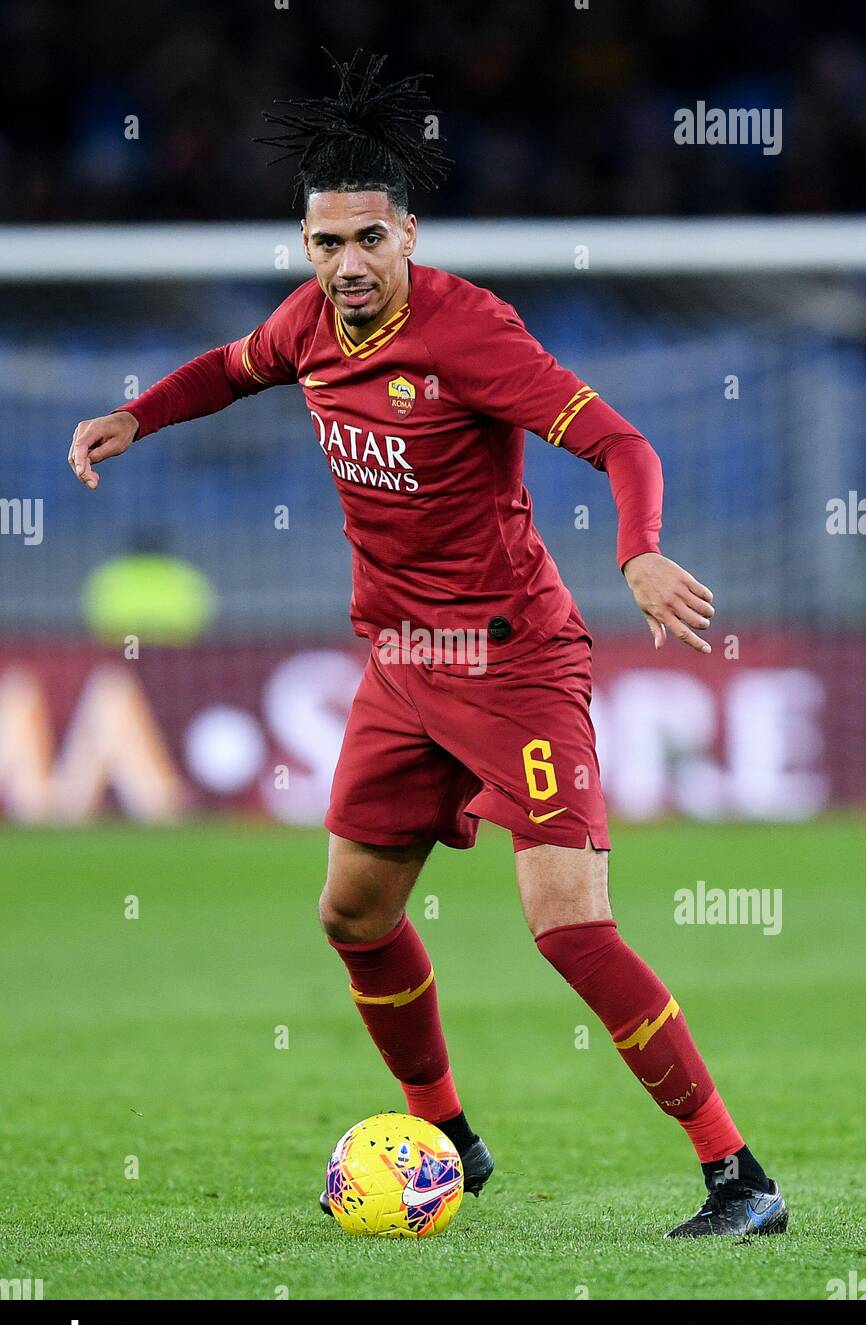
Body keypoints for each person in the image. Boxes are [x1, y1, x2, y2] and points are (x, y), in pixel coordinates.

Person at [67, 50, 787, 1238]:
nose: (344, 265)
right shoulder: (310, 321)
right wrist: (138, 413)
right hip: (401, 665)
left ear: (406, 231)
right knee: (352, 914)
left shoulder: (469, 332)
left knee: (570, 928)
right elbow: (230, 368)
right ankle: (446, 1134)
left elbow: (622, 445)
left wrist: (637, 553)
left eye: (365, 240)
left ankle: (735, 1176)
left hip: (514, 665)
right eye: (322, 244)